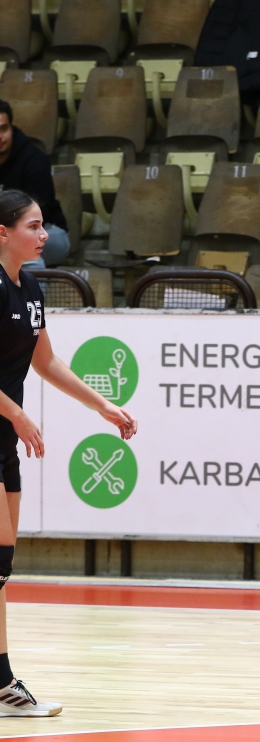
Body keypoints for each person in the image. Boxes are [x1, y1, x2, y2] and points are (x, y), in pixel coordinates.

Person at [0, 190, 138, 716]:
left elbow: (47, 362)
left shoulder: (30, 288)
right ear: (3, 233)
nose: (44, 235)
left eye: (43, 226)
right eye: (33, 226)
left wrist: (102, 405)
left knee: (2, 568)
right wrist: (17, 413)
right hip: (4, 425)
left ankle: (1, 684)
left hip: (4, 439)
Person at [0, 103, 68, 268]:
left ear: (12, 127)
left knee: (20, 246)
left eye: (3, 129)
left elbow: (36, 216)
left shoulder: (33, 160)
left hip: (48, 233)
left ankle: (30, 286)